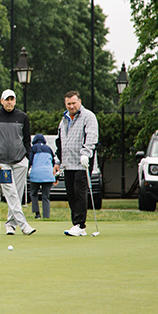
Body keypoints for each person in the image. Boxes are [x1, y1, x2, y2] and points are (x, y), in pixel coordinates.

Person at [0, 89, 35, 236]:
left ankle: (10, 224)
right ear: (1, 101)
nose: (9, 102)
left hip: (20, 160)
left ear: (15, 101)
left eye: (12, 99)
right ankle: (23, 224)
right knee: (11, 192)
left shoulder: (22, 117)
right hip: (1, 161)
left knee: (17, 193)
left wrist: (27, 156)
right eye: (7, 99)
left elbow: (27, 138)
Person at [54, 91, 98, 237]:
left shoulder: (88, 116)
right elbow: (60, 142)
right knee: (71, 195)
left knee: (80, 193)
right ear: (65, 104)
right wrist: (58, 161)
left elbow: (91, 136)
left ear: (79, 101)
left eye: (74, 103)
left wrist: (86, 153)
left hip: (82, 162)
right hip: (67, 163)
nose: (71, 106)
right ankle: (76, 224)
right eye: (69, 104)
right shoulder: (64, 119)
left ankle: (80, 224)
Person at [28, 134, 55, 219]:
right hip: (48, 174)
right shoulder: (49, 148)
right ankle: (46, 216)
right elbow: (54, 163)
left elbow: (30, 161)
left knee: (33, 194)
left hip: (36, 174)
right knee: (46, 196)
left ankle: (37, 214)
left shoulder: (33, 148)